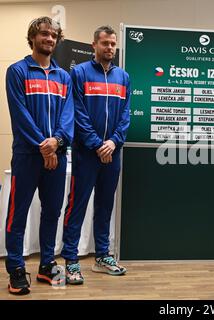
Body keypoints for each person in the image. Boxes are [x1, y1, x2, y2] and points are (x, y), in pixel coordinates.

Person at [5, 16, 74, 295]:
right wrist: (44, 146)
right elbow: (19, 115)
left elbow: (67, 117)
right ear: (32, 37)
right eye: (44, 34)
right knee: (17, 213)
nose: (49, 39)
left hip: (57, 155)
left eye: (54, 35)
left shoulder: (64, 77)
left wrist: (56, 142)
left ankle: (47, 264)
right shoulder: (17, 71)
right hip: (27, 155)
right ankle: (16, 269)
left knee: (52, 213)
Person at [61, 25, 131, 285]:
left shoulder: (123, 77)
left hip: (112, 154)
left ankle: (102, 256)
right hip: (86, 154)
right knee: (77, 206)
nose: (110, 48)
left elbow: (125, 115)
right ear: (94, 45)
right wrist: (96, 144)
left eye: (113, 44)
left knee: (105, 206)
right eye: (105, 43)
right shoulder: (78, 73)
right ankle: (70, 259)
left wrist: (112, 142)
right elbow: (76, 112)